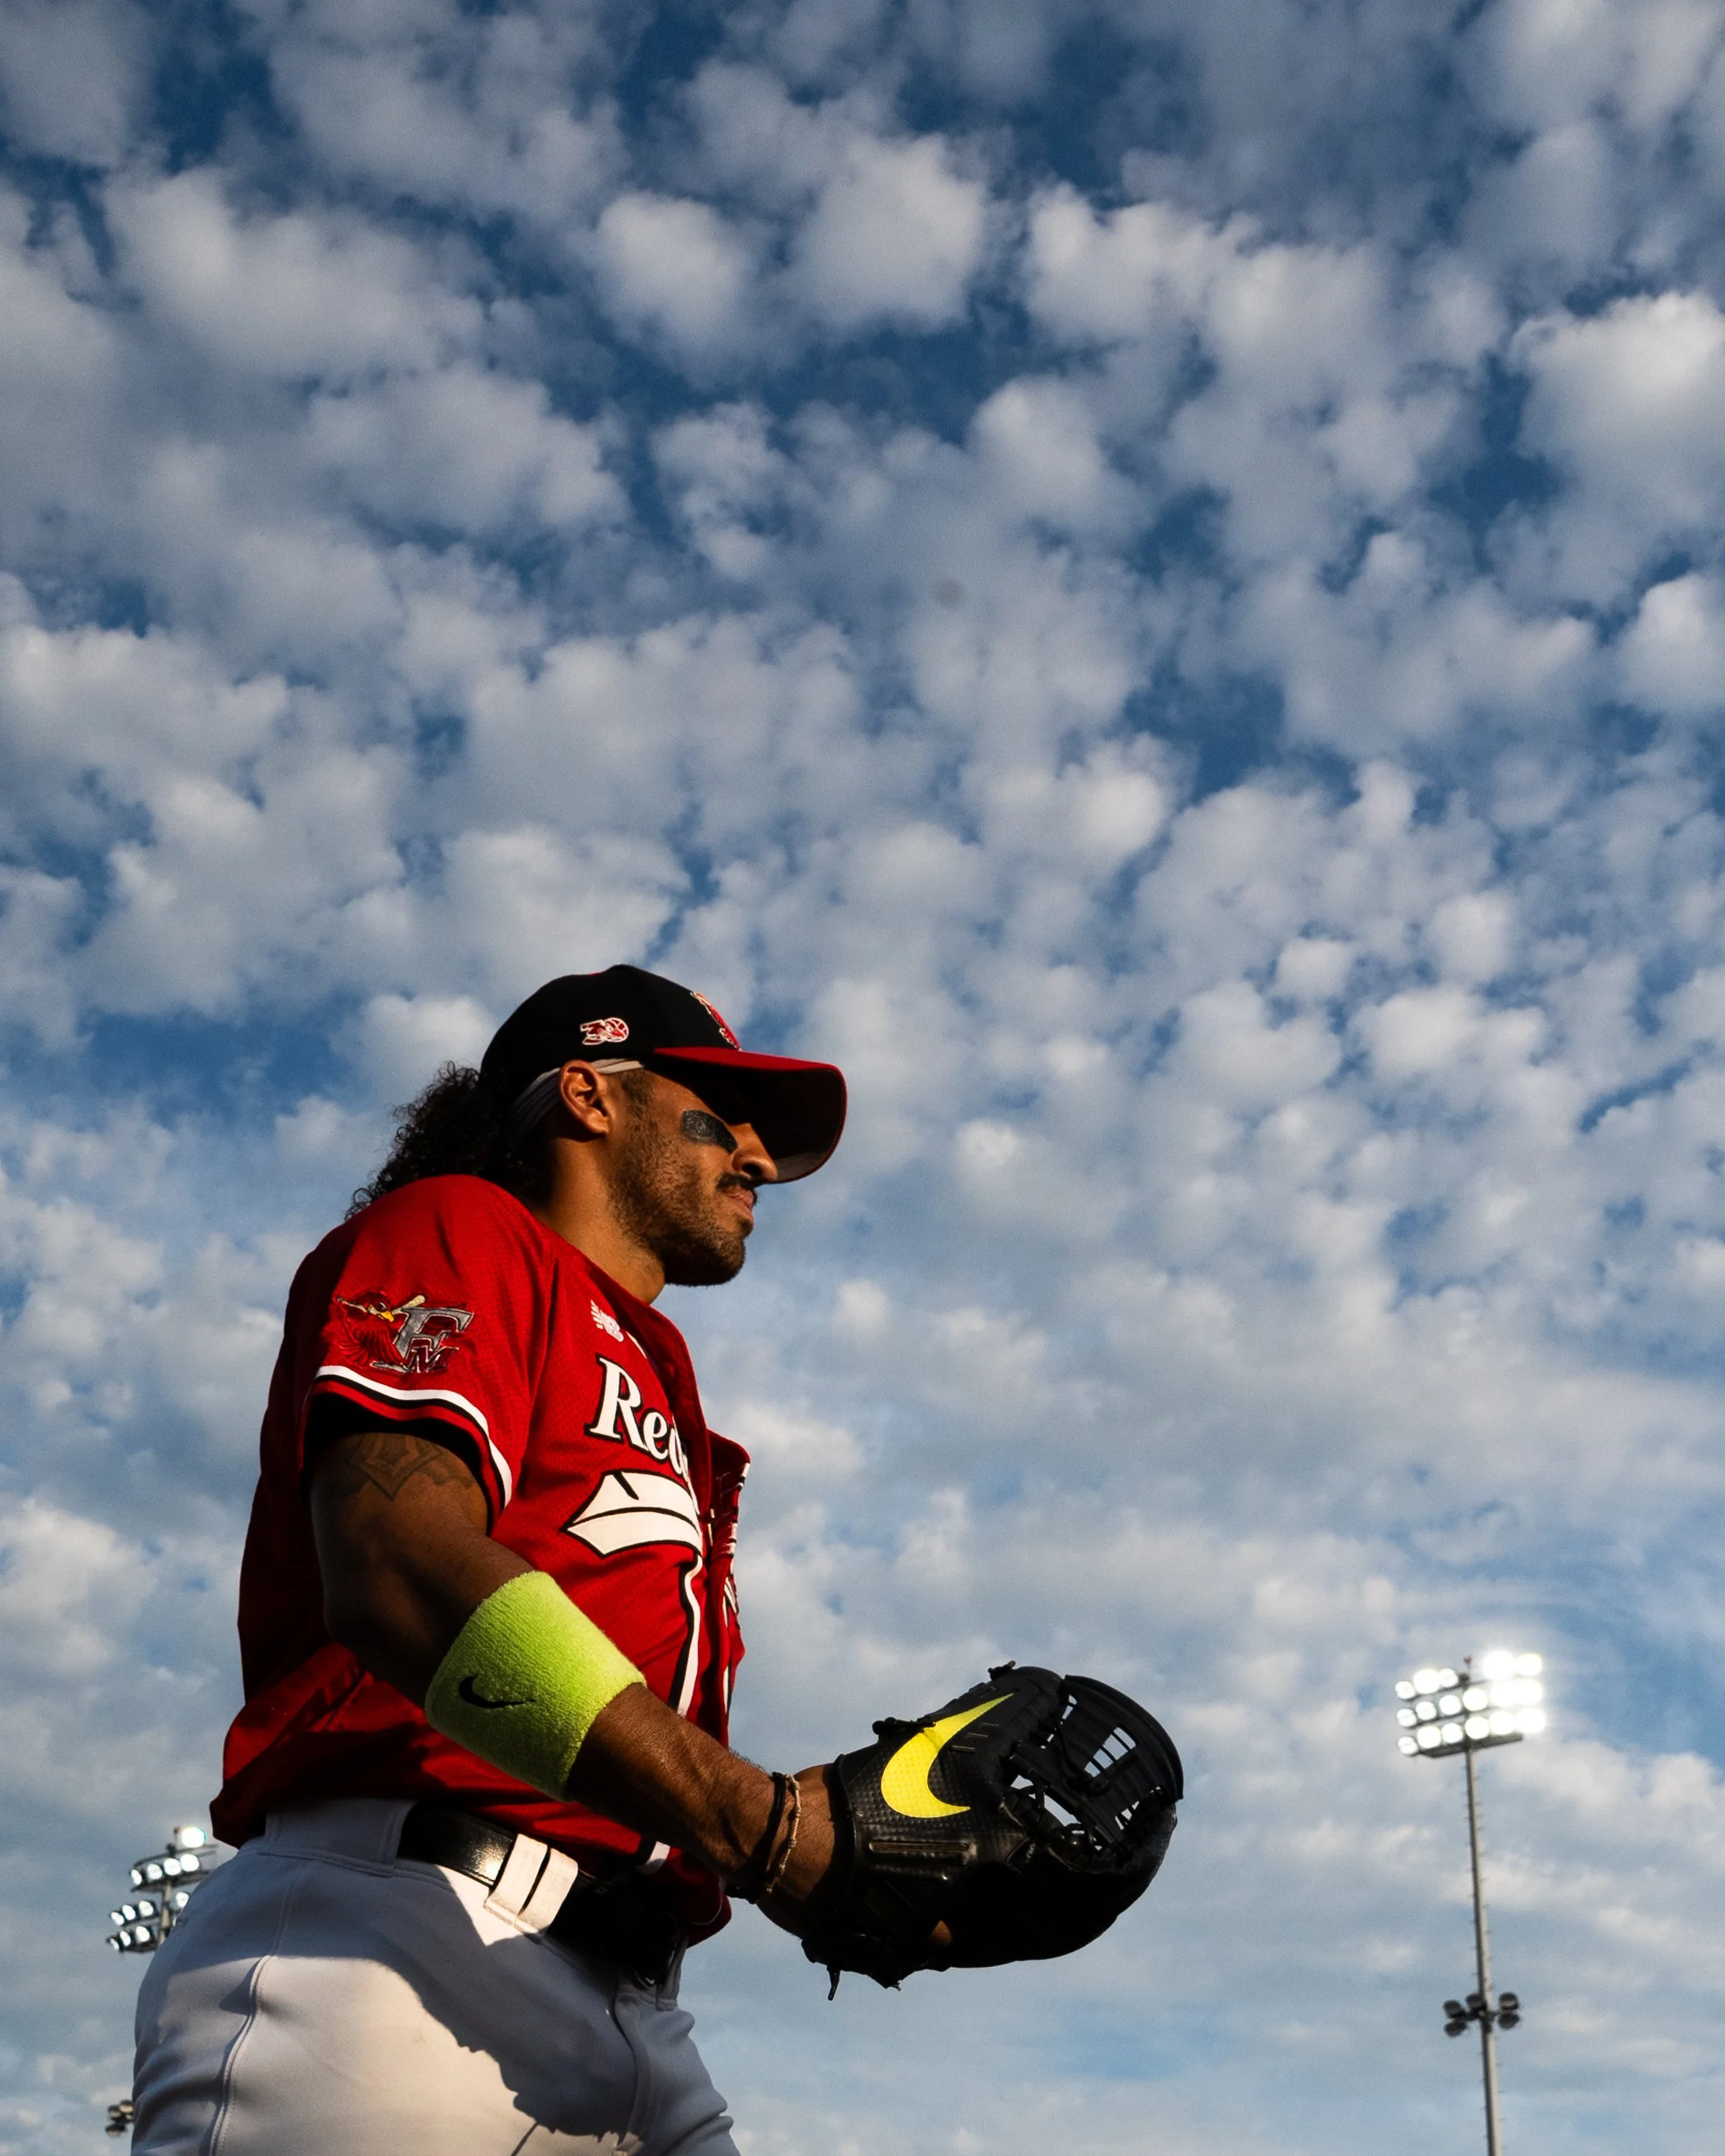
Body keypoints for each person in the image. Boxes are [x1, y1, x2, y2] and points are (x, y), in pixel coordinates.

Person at [132, 964, 850, 2155]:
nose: (758, 1159)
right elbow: (395, 1558)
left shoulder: (664, 1376)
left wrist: (838, 1848)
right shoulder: (458, 1227)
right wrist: (759, 1824)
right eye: (720, 1117)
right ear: (589, 1094)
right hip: (394, 1950)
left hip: (636, 2003)